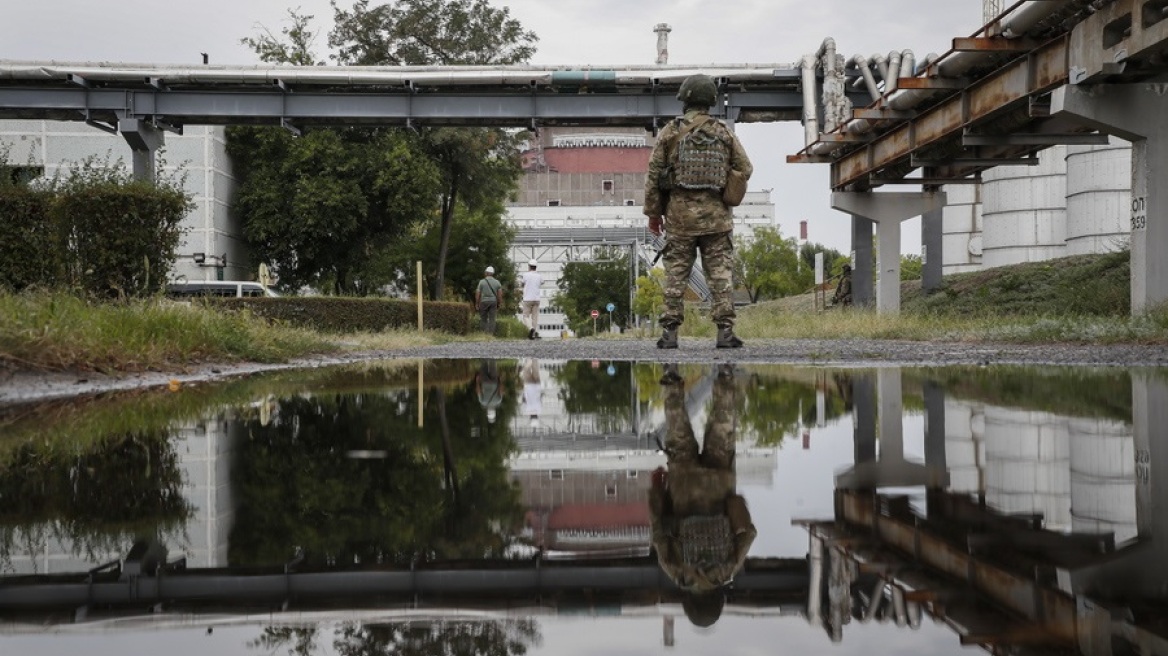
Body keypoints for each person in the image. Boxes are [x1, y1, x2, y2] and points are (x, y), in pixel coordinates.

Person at [644, 73, 753, 350]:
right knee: (719, 275)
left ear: (685, 100)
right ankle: (725, 333)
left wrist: (654, 214)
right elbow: (745, 168)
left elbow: (654, 174)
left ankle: (669, 334)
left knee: (676, 275)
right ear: (710, 101)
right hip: (717, 219)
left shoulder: (670, 132)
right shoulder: (723, 131)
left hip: (680, 218)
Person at [650, 364, 756, 628]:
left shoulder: (727, 570)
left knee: (723, 426)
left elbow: (749, 534)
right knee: (678, 431)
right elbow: (658, 531)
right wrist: (658, 492)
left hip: (719, 482)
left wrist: (735, 505)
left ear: (718, 600)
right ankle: (672, 377)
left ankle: (725, 374)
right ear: (689, 603)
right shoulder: (677, 573)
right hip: (683, 484)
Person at [475, 265, 504, 334]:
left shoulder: (481, 282)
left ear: (486, 273)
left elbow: (478, 293)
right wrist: (499, 303)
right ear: (492, 273)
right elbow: (500, 295)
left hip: (483, 302)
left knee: (483, 318)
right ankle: (491, 334)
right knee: (492, 319)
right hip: (493, 302)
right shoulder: (497, 282)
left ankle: (483, 333)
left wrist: (477, 303)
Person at [476, 359, 503, 424]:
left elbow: (501, 390)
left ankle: (492, 354)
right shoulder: (482, 402)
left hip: (494, 382)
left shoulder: (498, 401)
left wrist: (500, 380)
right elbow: (479, 391)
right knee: (483, 366)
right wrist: (477, 381)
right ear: (487, 412)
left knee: (493, 365)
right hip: (485, 382)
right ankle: (484, 354)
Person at [520, 259, 542, 340]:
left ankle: (530, 328)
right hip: (536, 299)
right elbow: (542, 282)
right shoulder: (539, 276)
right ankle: (533, 334)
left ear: (529, 266)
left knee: (526, 316)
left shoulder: (525, 275)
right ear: (536, 267)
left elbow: (522, 283)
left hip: (527, 299)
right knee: (535, 317)